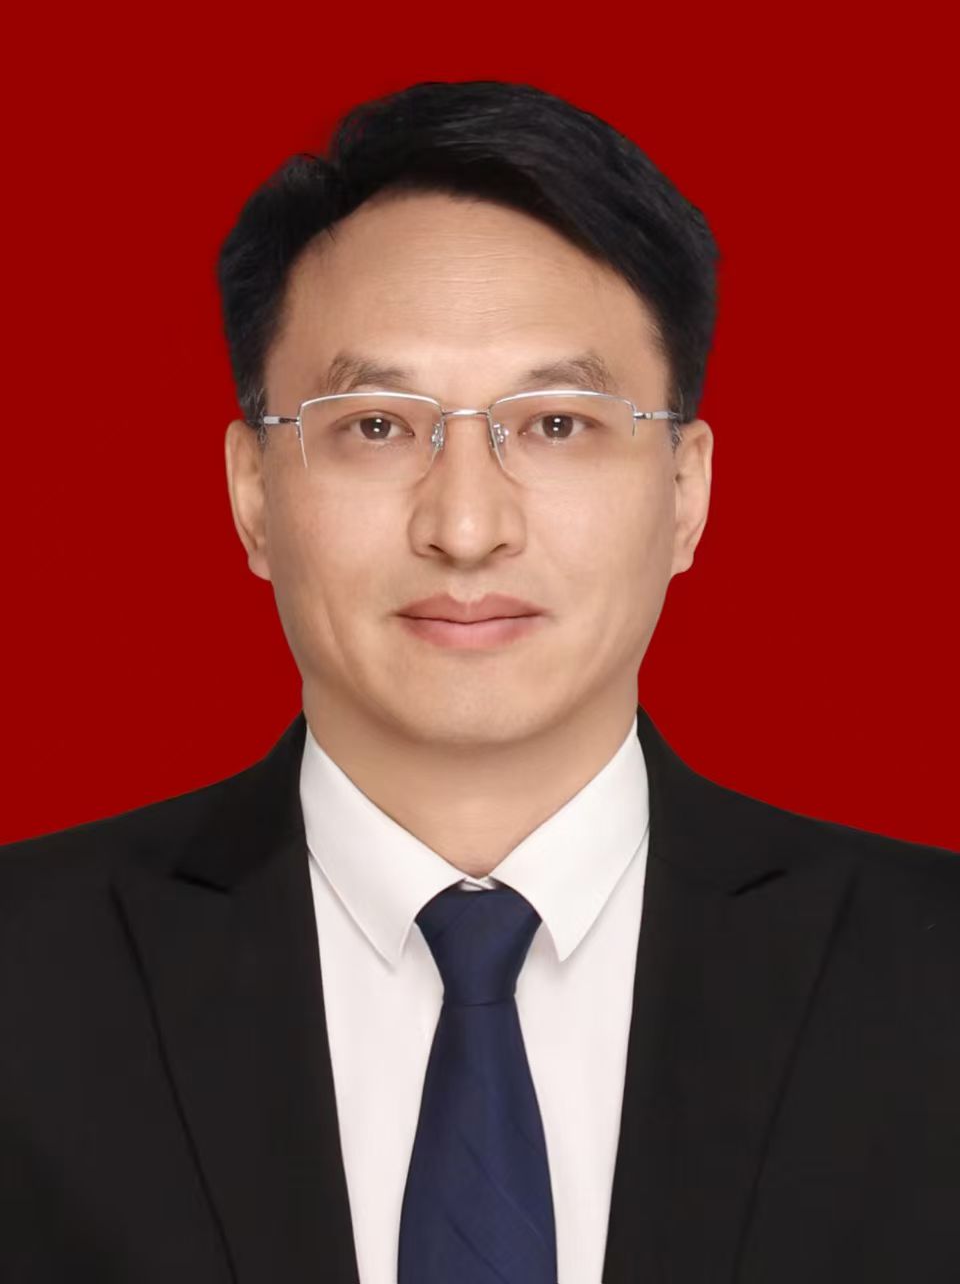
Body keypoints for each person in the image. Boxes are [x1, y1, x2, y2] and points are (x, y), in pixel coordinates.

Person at [1, 80, 958, 1284]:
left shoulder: (932, 983)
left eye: (556, 424)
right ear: (253, 494)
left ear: (685, 491)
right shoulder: (27, 980)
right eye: (376, 426)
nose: (464, 527)